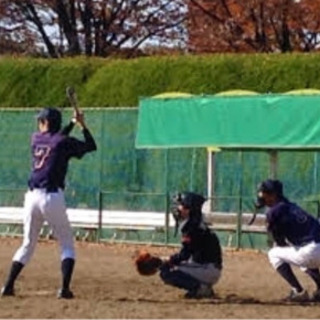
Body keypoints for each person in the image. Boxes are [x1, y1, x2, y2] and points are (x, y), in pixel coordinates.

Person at [1, 107, 97, 299]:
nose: (39, 123)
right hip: (52, 197)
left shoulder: (36, 138)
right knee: (67, 244)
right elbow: (91, 145)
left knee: (27, 244)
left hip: (31, 198)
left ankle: (8, 286)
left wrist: (72, 123)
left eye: (41, 120)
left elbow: (56, 140)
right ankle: (64, 289)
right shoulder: (62, 142)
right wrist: (82, 125)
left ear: (46, 123)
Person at [256, 179, 320, 302]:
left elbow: (278, 240)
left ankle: (298, 291)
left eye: (264, 193)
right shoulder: (291, 205)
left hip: (312, 251)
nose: (261, 196)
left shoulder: (274, 212)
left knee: (274, 254)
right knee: (299, 251)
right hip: (315, 245)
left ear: (273, 195)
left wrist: (280, 242)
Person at [159, 191, 222, 299]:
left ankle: (200, 288)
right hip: (209, 267)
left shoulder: (191, 227)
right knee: (172, 266)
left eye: (181, 205)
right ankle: (203, 286)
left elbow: (184, 255)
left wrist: (167, 260)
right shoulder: (196, 222)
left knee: (167, 272)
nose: (178, 208)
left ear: (190, 208)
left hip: (207, 269)